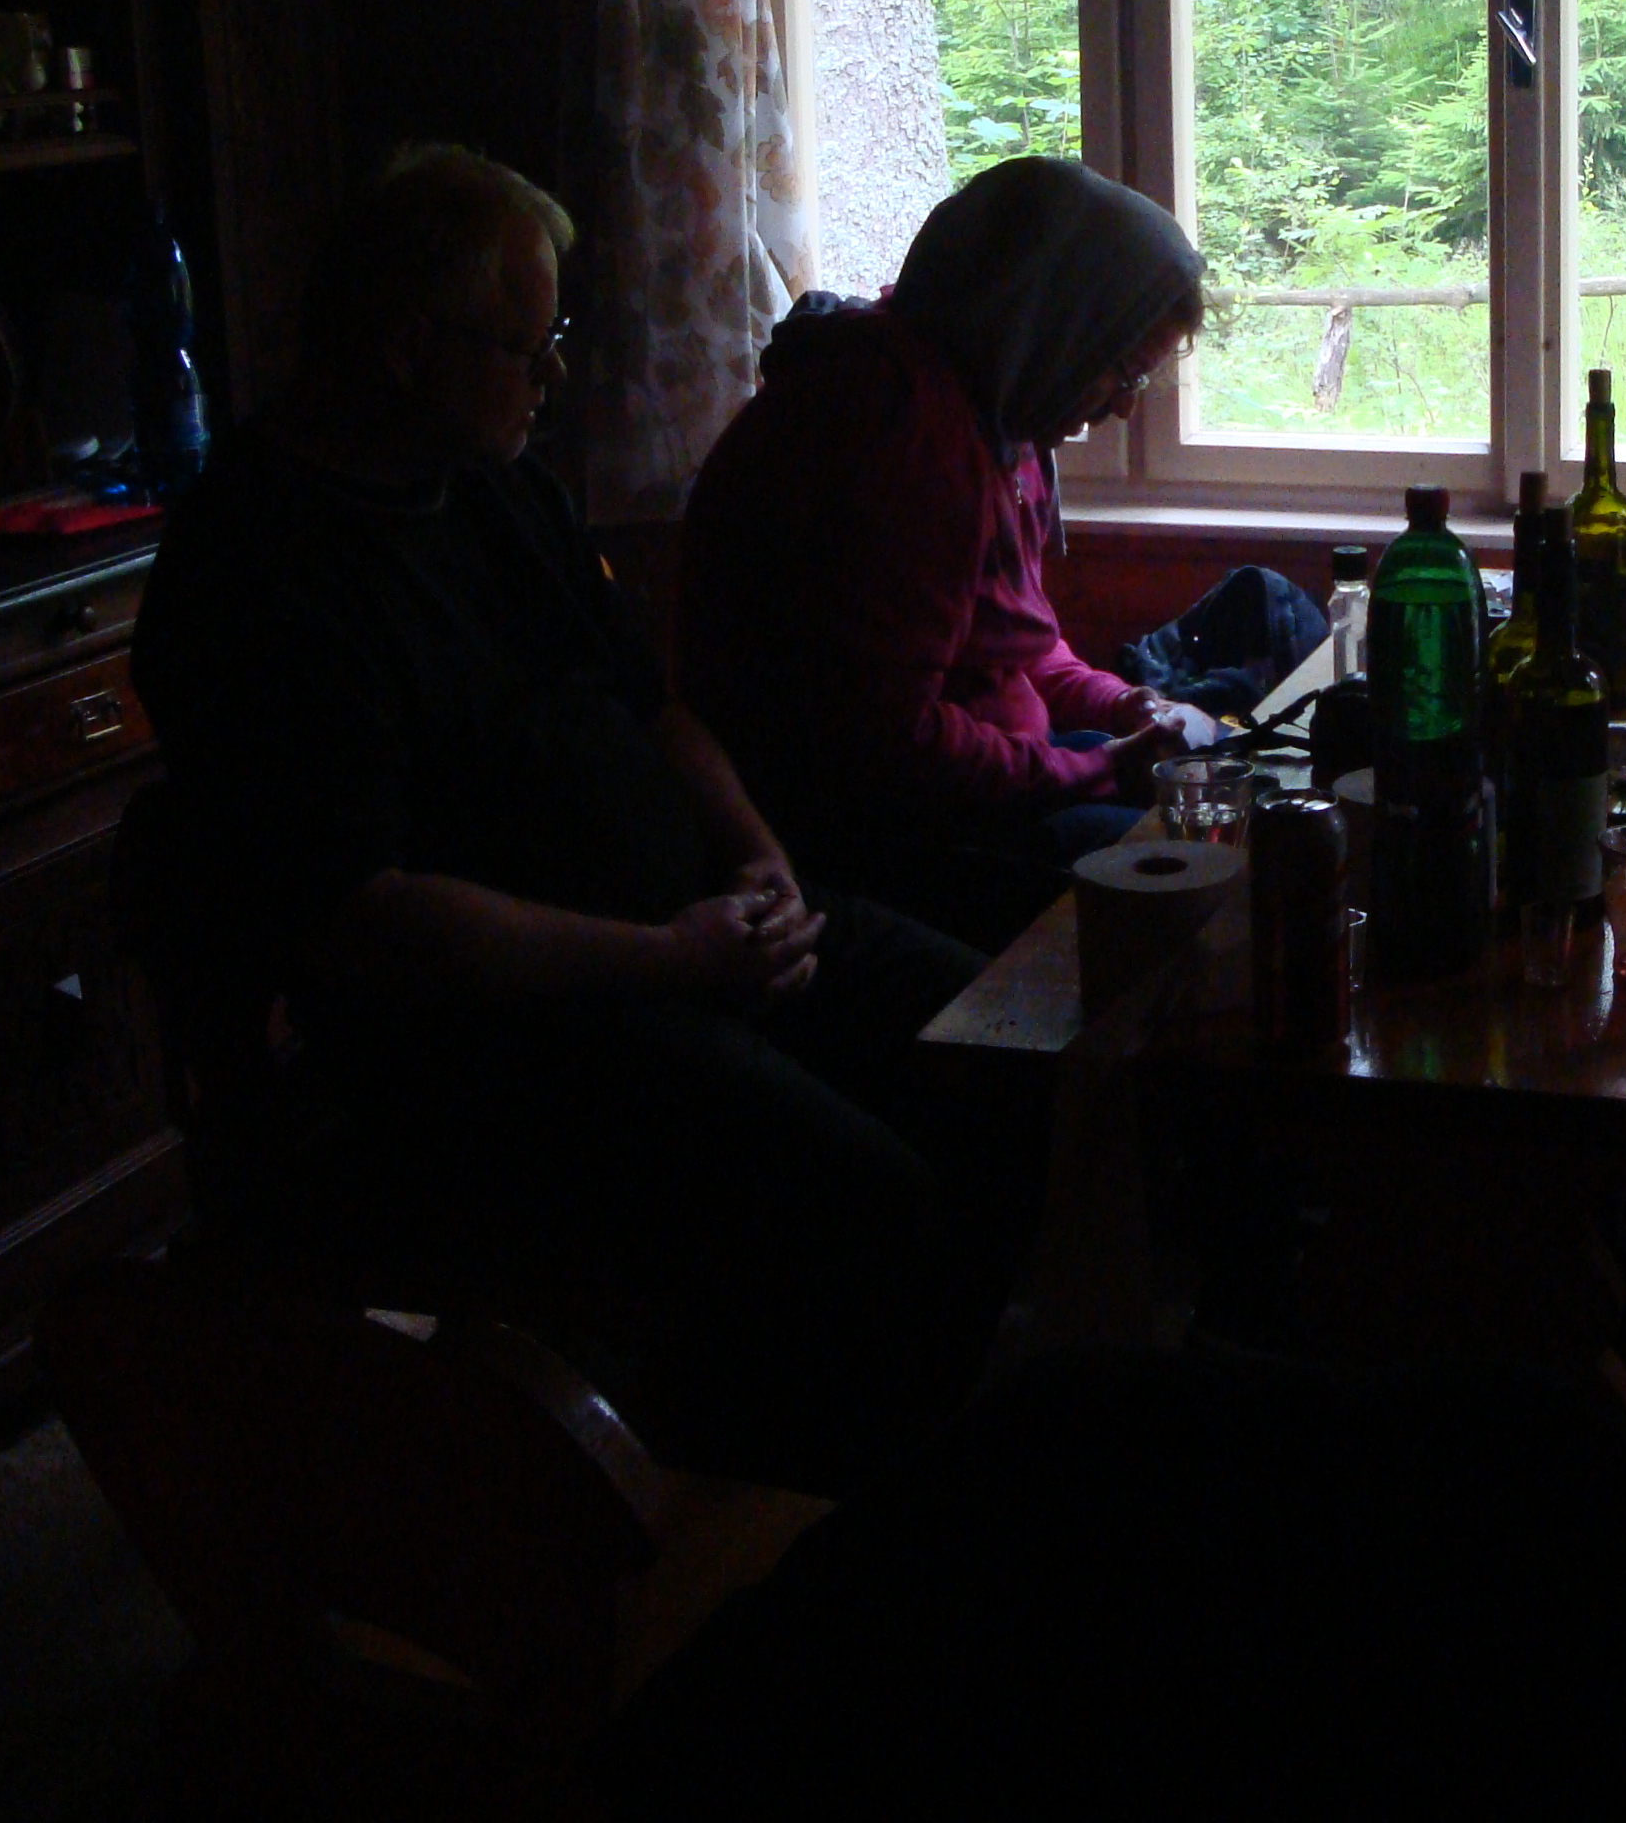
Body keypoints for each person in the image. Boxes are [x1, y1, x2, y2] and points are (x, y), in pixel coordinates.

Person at [132, 144, 997, 1488]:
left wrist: (761, 857)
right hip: (504, 1029)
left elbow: (654, 707)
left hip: (689, 929)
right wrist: (674, 959)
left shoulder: (497, 487)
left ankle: (930, 1439)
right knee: (866, 1202)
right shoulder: (263, 568)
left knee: (1003, 1049)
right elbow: (373, 920)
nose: (554, 376)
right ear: (408, 348)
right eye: (527, 346)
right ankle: (778, 1518)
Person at [677, 157, 1228, 947]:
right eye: (1118, 370)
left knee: (1210, 804)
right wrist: (1106, 767)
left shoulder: (997, 410)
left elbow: (1014, 647)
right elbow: (890, 748)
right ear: (1042, 324)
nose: (1123, 408)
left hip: (986, 783)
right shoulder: (900, 432)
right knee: (1200, 878)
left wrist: (1124, 707)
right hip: (879, 838)